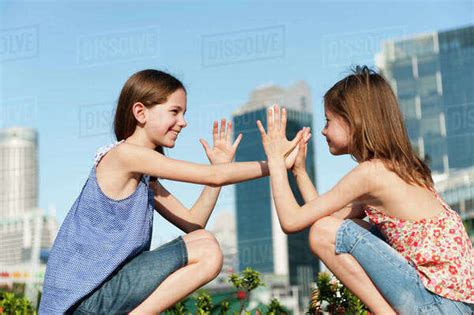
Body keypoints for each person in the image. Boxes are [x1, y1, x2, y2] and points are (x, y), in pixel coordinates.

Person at [39, 69, 303, 314]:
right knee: (209, 248)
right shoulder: (124, 156)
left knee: (206, 244)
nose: (183, 122)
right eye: (175, 112)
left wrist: (219, 171)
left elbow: (195, 224)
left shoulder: (144, 177)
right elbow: (211, 182)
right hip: (83, 302)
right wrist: (277, 164)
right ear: (141, 113)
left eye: (184, 113)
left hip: (100, 297)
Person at [256, 66, 473, 314]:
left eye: (328, 120)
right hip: (454, 305)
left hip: (437, 305)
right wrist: (299, 172)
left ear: (354, 120)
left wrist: (274, 161)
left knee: (324, 233)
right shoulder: (402, 169)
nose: (323, 130)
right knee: (343, 227)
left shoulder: (371, 173)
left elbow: (292, 221)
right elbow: (324, 219)